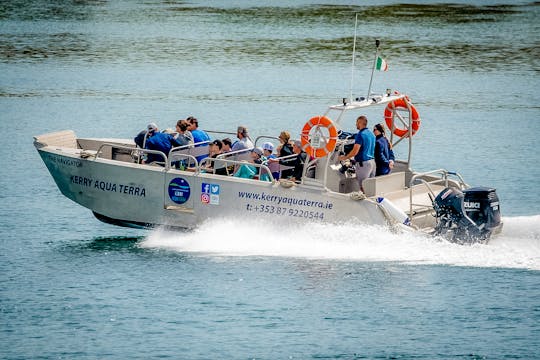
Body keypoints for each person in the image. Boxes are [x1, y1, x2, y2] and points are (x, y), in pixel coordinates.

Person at [338, 115, 376, 192]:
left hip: (364, 164)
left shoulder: (360, 135)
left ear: (360, 123)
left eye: (356, 123)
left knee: (363, 187)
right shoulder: (371, 134)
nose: (356, 124)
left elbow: (355, 151)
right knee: (370, 188)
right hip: (372, 162)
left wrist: (344, 158)